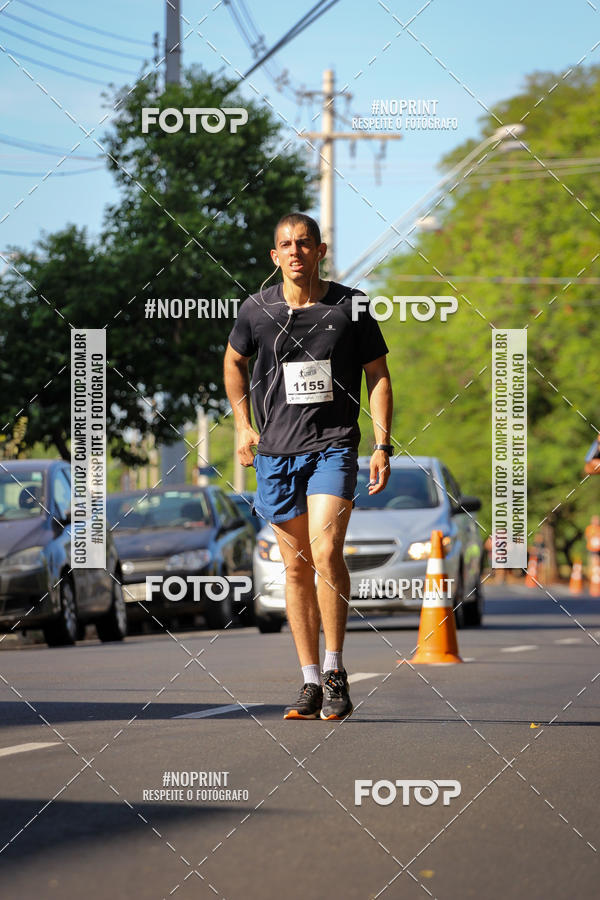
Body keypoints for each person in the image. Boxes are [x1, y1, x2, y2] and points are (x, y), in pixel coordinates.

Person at [224, 212, 393, 720]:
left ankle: (336, 669)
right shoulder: (256, 310)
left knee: (325, 551)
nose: (295, 251)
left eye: (304, 243)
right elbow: (233, 362)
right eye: (286, 244)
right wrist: (243, 425)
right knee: (295, 567)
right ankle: (310, 680)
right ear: (274, 256)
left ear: (320, 251)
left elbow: (378, 376)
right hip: (276, 453)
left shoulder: (350, 306)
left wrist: (382, 445)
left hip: (333, 446)